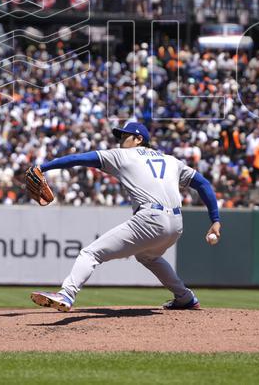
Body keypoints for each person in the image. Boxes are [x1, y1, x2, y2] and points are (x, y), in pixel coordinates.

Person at [29, 121, 221, 312]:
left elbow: (79, 158)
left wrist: (43, 167)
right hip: (176, 224)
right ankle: (185, 297)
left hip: (150, 218)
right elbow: (203, 183)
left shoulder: (122, 155)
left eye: (124, 136)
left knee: (90, 253)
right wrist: (215, 220)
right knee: (148, 256)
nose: (120, 141)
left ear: (139, 139)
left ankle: (67, 294)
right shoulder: (171, 160)